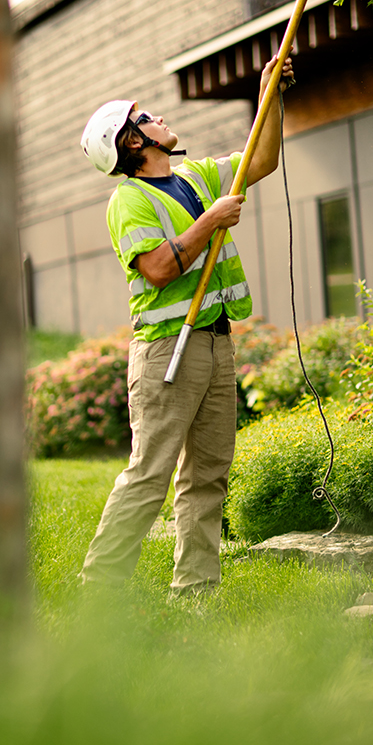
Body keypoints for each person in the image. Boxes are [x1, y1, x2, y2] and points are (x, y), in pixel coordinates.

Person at [79, 55, 294, 593]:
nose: (159, 118)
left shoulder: (194, 175)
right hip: (165, 353)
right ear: (132, 142)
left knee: (208, 475)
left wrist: (272, 94)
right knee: (151, 475)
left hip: (217, 344)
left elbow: (261, 160)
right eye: (146, 116)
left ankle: (196, 592)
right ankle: (99, 591)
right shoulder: (128, 201)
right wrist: (211, 220)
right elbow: (154, 269)